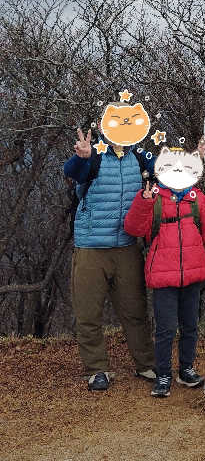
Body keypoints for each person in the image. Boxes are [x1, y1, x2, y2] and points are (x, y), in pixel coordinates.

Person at [123, 144, 205, 397]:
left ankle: (186, 369)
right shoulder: (152, 199)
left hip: (193, 275)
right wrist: (144, 202)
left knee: (190, 325)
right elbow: (133, 228)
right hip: (163, 276)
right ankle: (163, 375)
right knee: (165, 328)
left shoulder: (197, 199)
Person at [64, 123, 158, 390]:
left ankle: (146, 365)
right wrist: (80, 156)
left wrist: (196, 156)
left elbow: (167, 170)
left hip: (127, 247)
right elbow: (72, 172)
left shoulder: (139, 156)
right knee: (88, 312)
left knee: (135, 311)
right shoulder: (93, 156)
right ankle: (97, 369)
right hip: (91, 247)